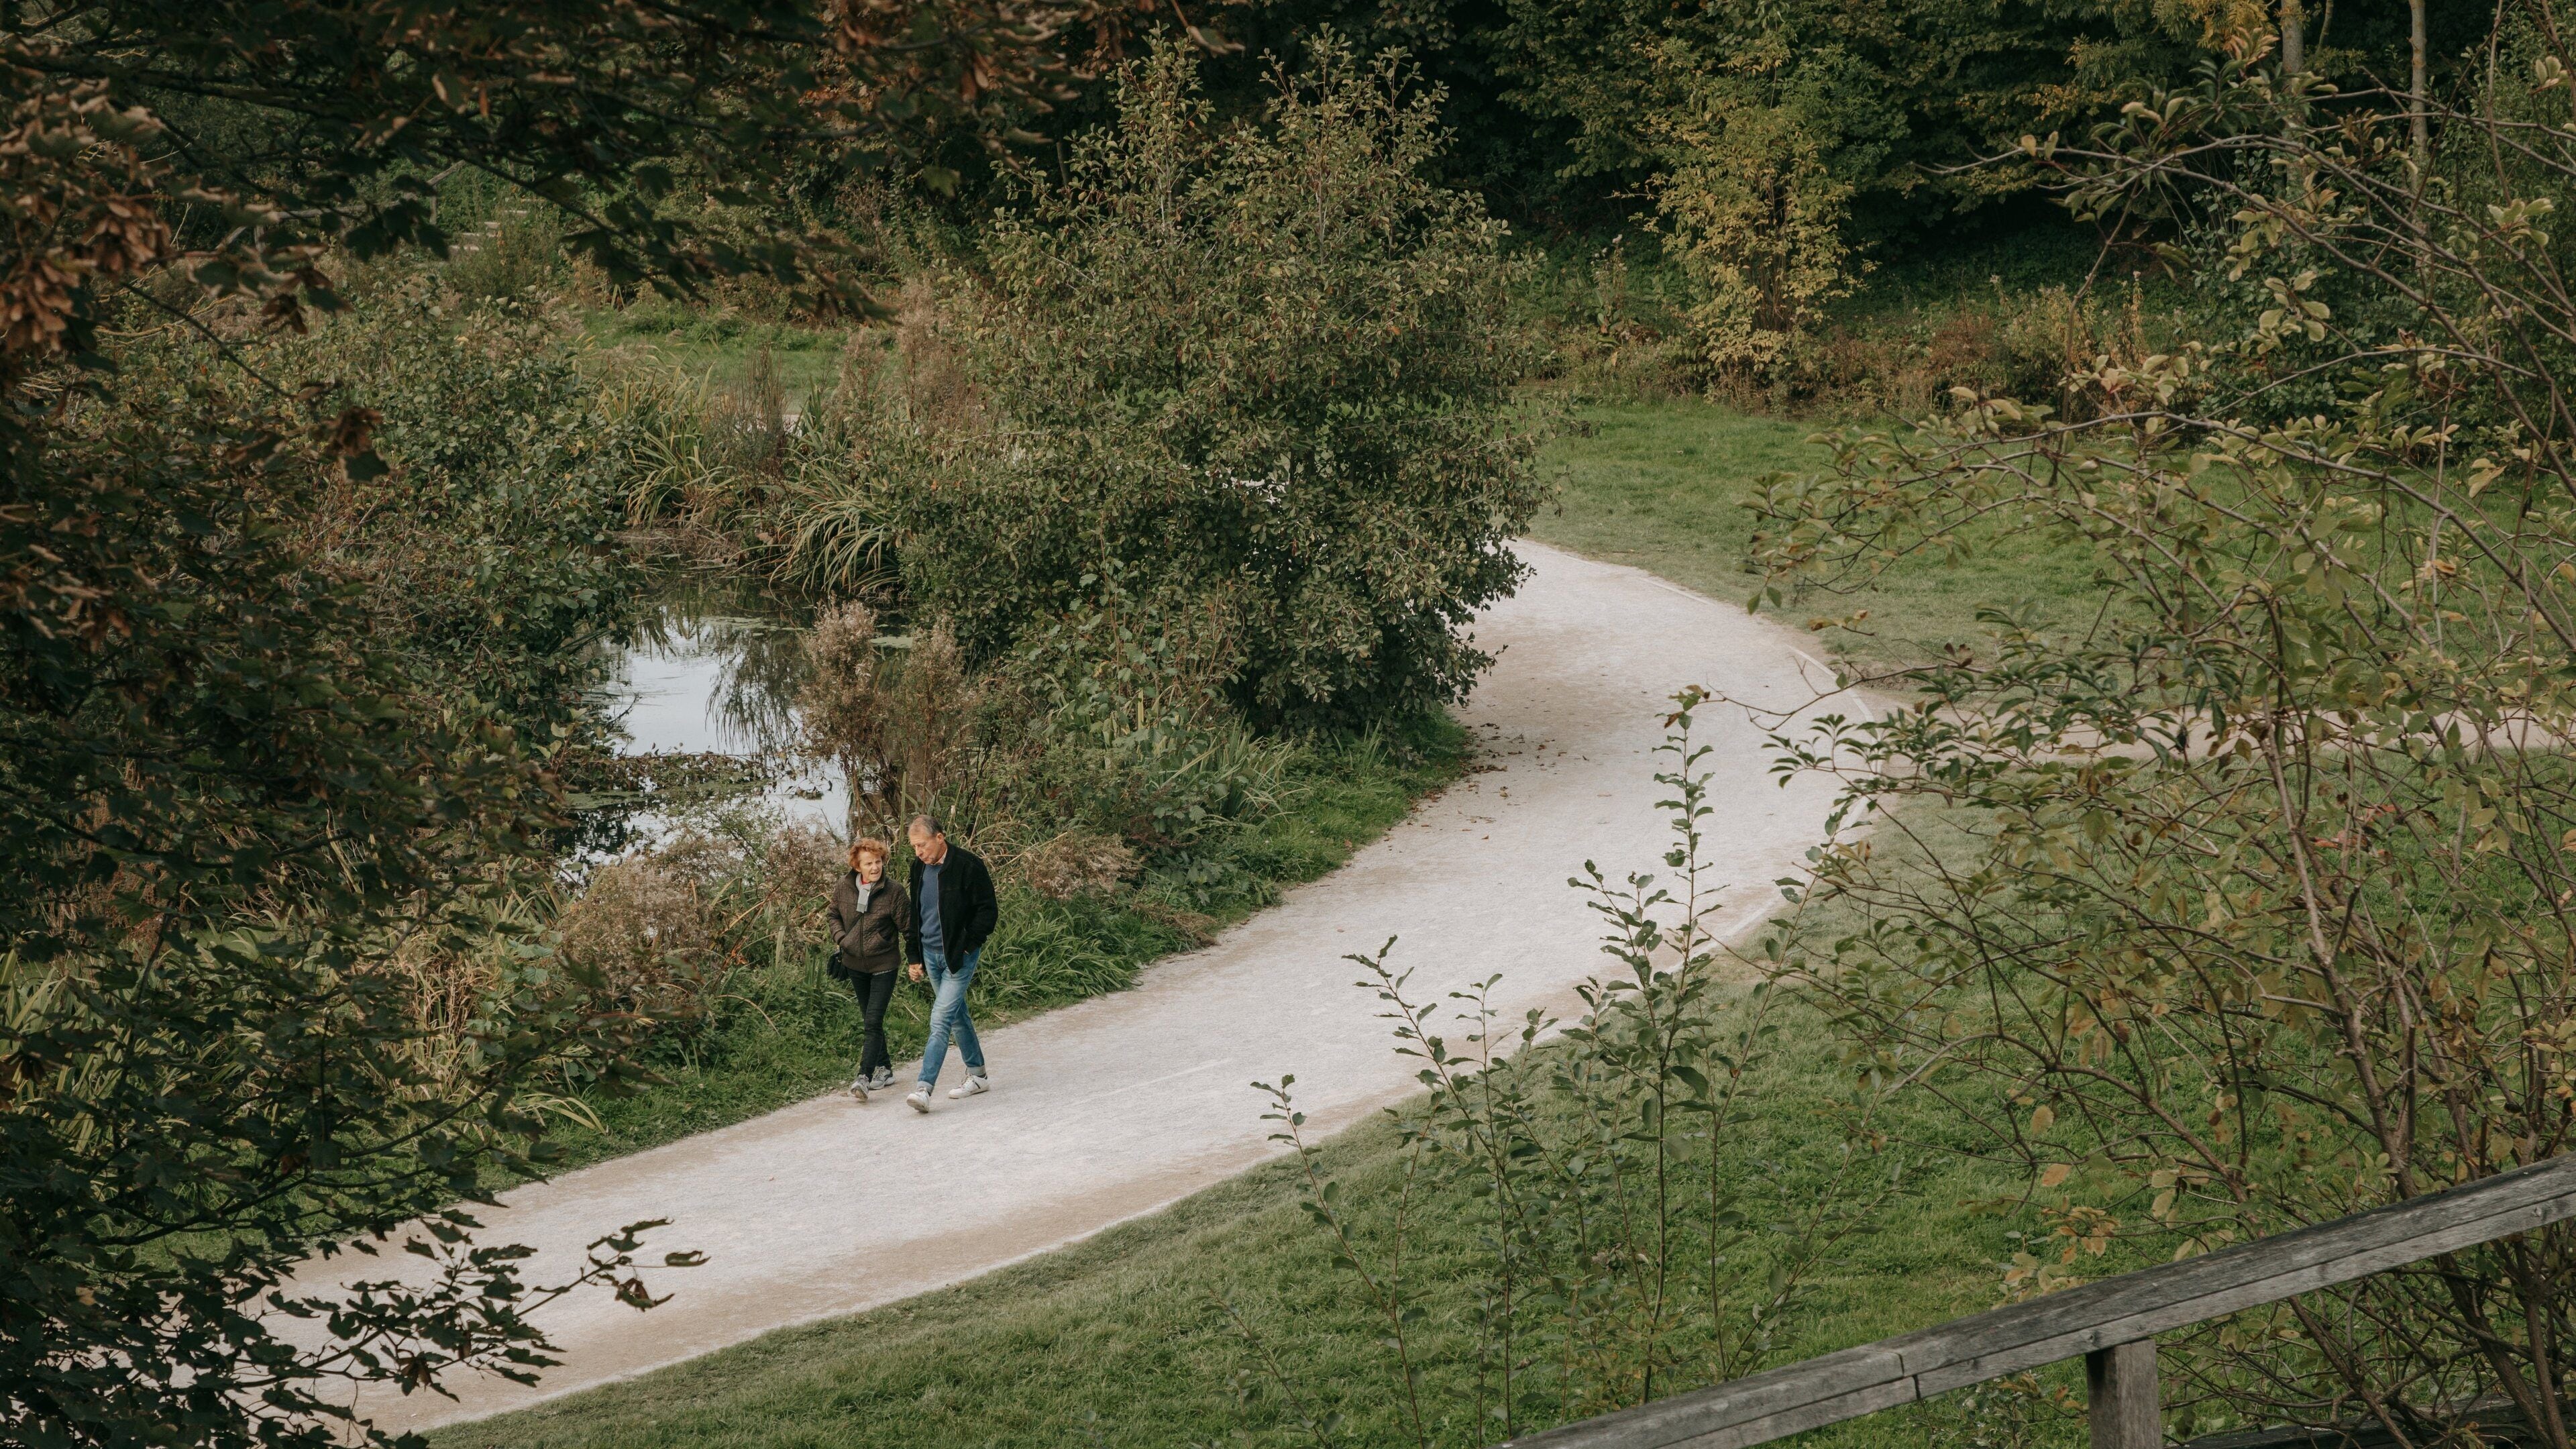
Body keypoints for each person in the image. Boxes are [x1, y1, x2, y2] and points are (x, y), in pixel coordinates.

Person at [902, 812, 998, 1112]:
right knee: (957, 1017)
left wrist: (970, 946)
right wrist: (914, 956)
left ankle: (924, 1088)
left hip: (959, 957)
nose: (919, 853)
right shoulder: (918, 867)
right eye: (914, 847)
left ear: (940, 838)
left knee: (940, 1020)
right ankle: (979, 1075)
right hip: (930, 955)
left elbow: (988, 911)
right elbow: (915, 915)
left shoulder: (968, 866)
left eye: (922, 845)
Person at [828, 838, 911, 1102]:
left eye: (878, 861)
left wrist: (917, 960)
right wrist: (842, 939)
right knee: (869, 1020)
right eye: (869, 863)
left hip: (884, 963)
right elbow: (833, 914)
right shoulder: (844, 887)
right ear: (857, 866)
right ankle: (885, 1069)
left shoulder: (894, 891)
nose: (875, 867)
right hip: (854, 964)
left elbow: (908, 928)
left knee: (873, 1021)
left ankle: (863, 1077)